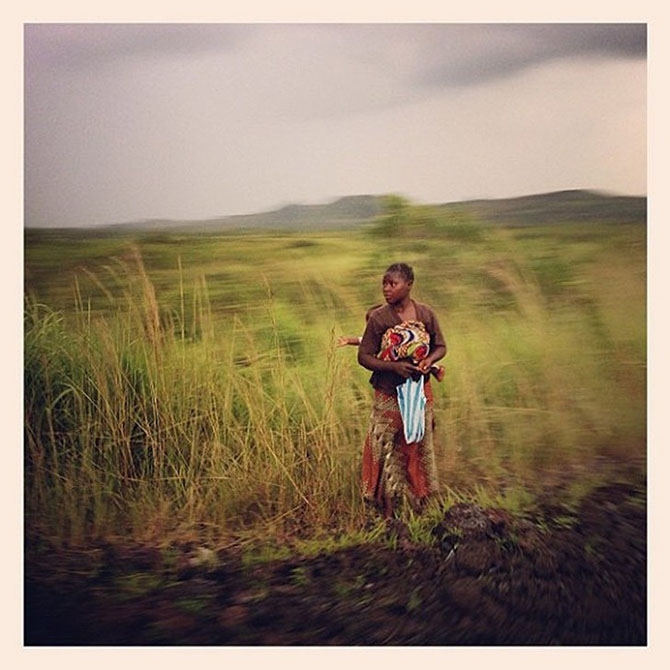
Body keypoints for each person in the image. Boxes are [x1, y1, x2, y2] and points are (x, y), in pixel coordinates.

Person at [357, 263, 447, 520]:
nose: (386, 289)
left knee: (418, 444)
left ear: (408, 285)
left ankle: (422, 503)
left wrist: (429, 361)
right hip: (388, 393)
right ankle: (384, 508)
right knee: (385, 445)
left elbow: (440, 346)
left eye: (392, 284)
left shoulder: (426, 314)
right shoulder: (379, 318)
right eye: (384, 284)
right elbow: (363, 357)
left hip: (419, 392)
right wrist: (393, 367)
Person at [337, 304, 445, 381]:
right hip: (390, 368)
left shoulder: (393, 336)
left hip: (408, 359)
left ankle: (437, 370)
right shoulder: (373, 338)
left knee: (421, 362)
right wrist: (348, 341)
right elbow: (361, 341)